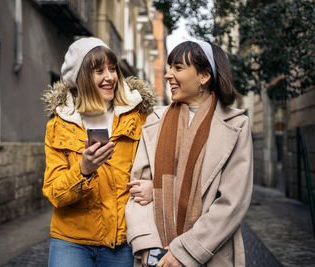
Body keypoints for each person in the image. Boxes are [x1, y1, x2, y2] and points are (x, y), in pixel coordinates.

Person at [125, 41, 253, 267]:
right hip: (157, 256)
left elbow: (232, 203)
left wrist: (183, 252)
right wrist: (146, 245)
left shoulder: (236, 125)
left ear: (204, 76)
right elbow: (137, 191)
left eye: (178, 68)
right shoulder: (155, 121)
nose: (167, 75)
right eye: (169, 67)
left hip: (211, 254)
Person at [42, 37, 156, 267]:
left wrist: (155, 188)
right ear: (81, 77)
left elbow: (162, 167)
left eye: (113, 69)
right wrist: (84, 170)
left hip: (121, 240)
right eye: (99, 71)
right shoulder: (59, 125)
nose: (110, 77)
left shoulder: (138, 118)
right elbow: (55, 193)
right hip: (71, 240)